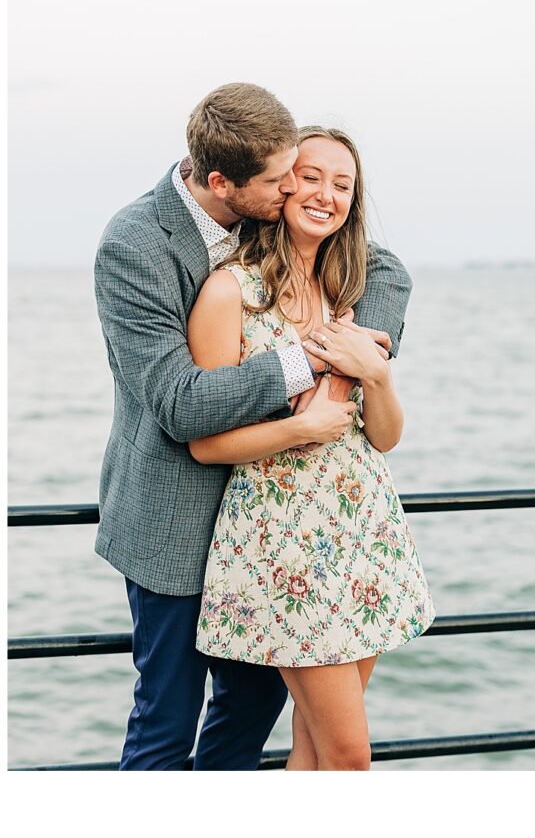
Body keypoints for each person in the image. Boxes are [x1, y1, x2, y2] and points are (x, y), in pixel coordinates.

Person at [93, 82, 412, 771]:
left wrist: (365, 355)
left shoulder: (264, 216)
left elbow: (380, 266)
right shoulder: (136, 243)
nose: (294, 188)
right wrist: (315, 358)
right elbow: (179, 404)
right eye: (282, 179)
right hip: (179, 519)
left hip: (284, 534)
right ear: (223, 183)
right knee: (167, 721)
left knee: (249, 716)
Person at [188, 128, 432, 771]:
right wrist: (301, 429)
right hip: (285, 542)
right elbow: (206, 443)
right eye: (312, 176)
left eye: (343, 185)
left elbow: (384, 437)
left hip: (364, 530)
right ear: (282, 183)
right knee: (351, 757)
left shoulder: (349, 293)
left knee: (317, 748)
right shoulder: (229, 292)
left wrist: (376, 377)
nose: (326, 194)